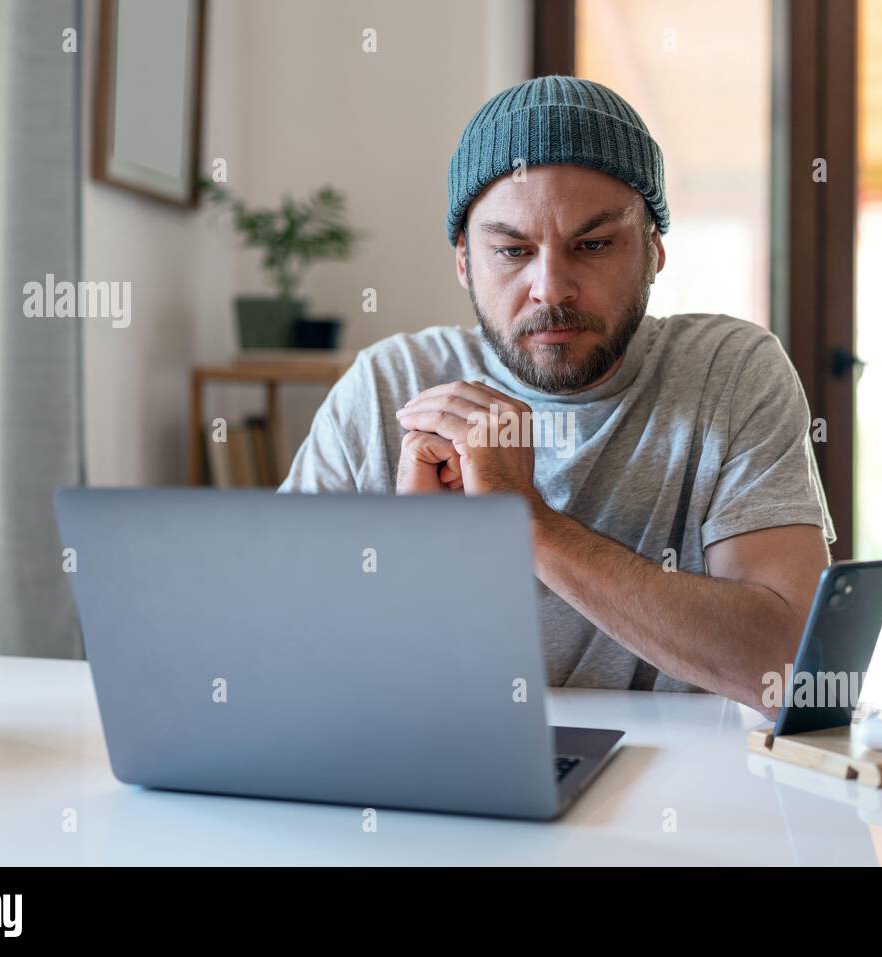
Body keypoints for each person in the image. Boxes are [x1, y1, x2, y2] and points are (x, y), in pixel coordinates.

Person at [280, 76, 835, 717]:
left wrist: (530, 524)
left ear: (653, 252)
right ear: (464, 261)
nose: (552, 287)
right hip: (440, 779)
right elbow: (277, 655)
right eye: (512, 250)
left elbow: (789, 667)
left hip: (670, 792)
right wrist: (417, 558)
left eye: (593, 245)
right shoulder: (388, 386)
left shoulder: (730, 373)